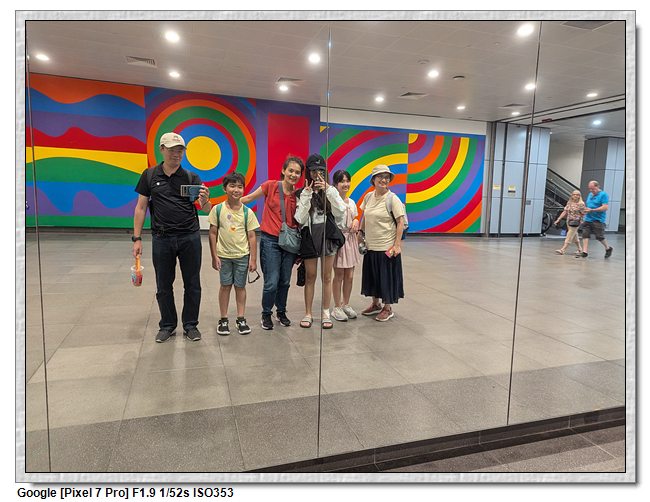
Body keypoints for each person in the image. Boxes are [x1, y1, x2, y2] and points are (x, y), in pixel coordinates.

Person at [132, 132, 212, 342]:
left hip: (190, 237)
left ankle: (190, 325)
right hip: (162, 239)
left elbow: (205, 209)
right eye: (171, 150)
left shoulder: (191, 177)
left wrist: (205, 200)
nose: (176, 154)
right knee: (163, 285)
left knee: (192, 283)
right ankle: (167, 325)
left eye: (180, 151)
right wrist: (137, 238)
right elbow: (141, 208)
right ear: (162, 149)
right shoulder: (150, 175)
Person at [241, 155, 305, 330]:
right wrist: (225, 207)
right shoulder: (270, 186)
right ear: (283, 171)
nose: (293, 175)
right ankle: (266, 313)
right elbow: (248, 199)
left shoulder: (299, 195)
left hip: (290, 242)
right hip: (270, 240)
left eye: (297, 172)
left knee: (285, 281)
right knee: (271, 281)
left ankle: (281, 311)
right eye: (290, 170)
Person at [294, 154, 347, 329]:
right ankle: (308, 313)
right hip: (310, 238)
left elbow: (341, 212)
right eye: (313, 171)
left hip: (327, 237)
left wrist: (329, 190)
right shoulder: (301, 193)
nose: (317, 174)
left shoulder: (330, 191)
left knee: (327, 277)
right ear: (308, 172)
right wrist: (307, 195)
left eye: (321, 171)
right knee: (310, 276)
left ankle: (325, 312)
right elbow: (300, 219)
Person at [207, 172, 260, 336]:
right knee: (225, 286)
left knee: (240, 287)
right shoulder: (217, 210)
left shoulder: (247, 212)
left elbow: (252, 236)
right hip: (223, 256)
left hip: (242, 257)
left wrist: (253, 259)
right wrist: (214, 256)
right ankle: (223, 319)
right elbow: (212, 233)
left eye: (240, 186)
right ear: (224, 188)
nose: (236, 190)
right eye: (232, 186)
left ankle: (241, 318)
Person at [357, 165, 405, 321]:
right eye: (380, 177)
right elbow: (365, 215)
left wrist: (397, 245)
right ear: (373, 179)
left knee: (386, 278)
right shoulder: (368, 197)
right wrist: (360, 232)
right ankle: (376, 304)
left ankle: (387, 308)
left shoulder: (392, 199)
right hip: (371, 246)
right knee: (373, 277)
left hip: (387, 247)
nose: (384, 180)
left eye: (386, 177)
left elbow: (400, 222)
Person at [330, 170, 362, 322]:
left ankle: (346, 304)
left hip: (351, 240)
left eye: (347, 181)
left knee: (350, 275)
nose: (345, 184)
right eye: (342, 181)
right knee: (339, 275)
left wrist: (356, 221)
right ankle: (336, 307)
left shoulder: (351, 202)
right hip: (339, 240)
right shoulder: (332, 202)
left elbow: (355, 217)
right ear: (335, 184)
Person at [577, 180, 613, 259]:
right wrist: (585, 211)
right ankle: (584, 252)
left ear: (597, 187)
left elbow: (605, 207)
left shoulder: (603, 195)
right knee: (585, 234)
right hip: (588, 219)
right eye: (590, 189)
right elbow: (589, 205)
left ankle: (608, 248)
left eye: (593, 188)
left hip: (598, 219)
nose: (591, 190)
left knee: (599, 236)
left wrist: (592, 210)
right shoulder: (590, 195)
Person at [554, 190, 586, 255]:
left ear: (579, 196)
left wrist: (583, 220)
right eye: (574, 194)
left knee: (569, 235)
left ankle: (563, 249)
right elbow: (565, 212)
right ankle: (579, 248)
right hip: (569, 221)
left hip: (576, 222)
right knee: (574, 235)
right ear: (572, 196)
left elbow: (583, 213)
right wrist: (558, 219)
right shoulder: (569, 203)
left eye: (577, 195)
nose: (575, 196)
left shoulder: (581, 204)